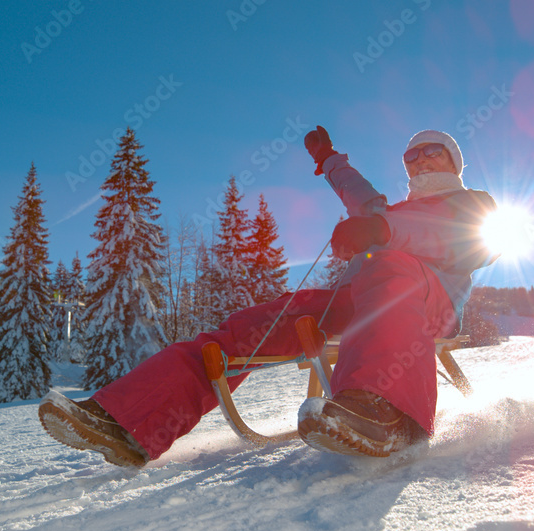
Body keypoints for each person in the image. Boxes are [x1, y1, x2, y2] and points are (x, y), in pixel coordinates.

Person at [39, 127, 498, 467]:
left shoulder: (473, 204)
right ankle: (127, 422)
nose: (418, 160)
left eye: (430, 151)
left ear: (453, 162)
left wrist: (383, 231)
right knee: (254, 324)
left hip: (427, 304)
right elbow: (354, 188)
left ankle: (386, 411)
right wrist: (327, 157)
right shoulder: (388, 210)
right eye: (410, 155)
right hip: (363, 298)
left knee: (391, 266)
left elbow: (460, 240)